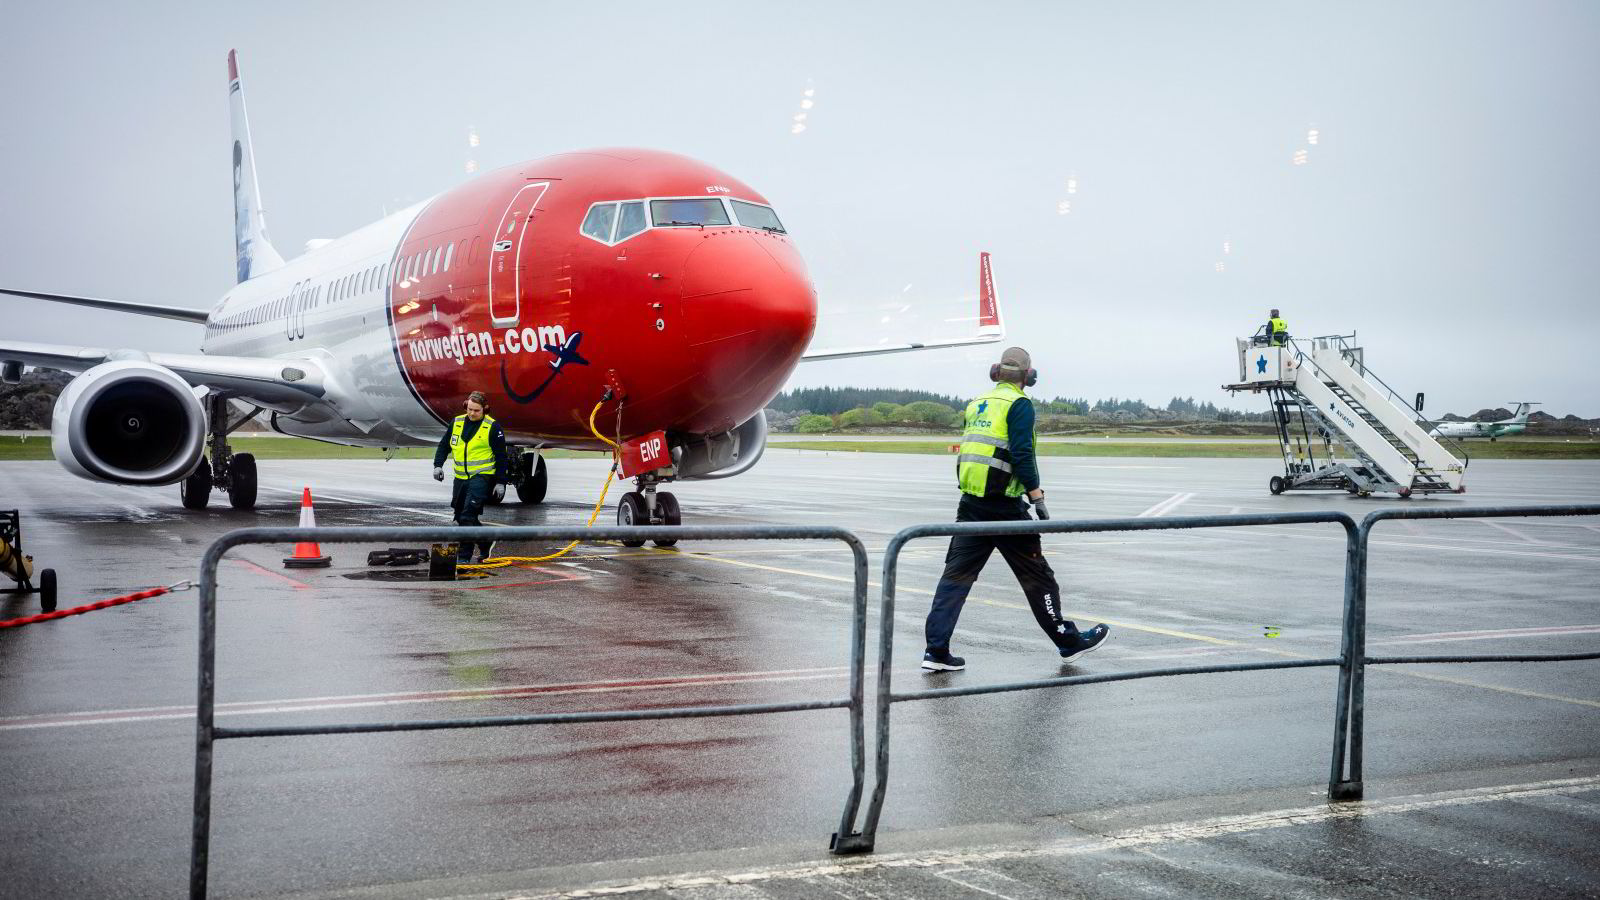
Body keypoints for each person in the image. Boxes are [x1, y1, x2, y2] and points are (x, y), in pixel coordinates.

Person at [922, 347, 1110, 672]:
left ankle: (935, 652)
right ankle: (1068, 642)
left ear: (996, 373)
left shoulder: (978, 403)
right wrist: (1037, 497)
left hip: (970, 504)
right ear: (1028, 377)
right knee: (1038, 577)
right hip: (1005, 508)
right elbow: (1022, 453)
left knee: (955, 578)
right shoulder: (1019, 405)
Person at [432, 391, 511, 563]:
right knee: (461, 518)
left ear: (485, 410)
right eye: (469, 409)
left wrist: (500, 482)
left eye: (476, 410)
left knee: (468, 516)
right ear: (465, 405)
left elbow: (501, 457)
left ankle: (463, 558)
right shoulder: (457, 422)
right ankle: (485, 541)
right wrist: (438, 465)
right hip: (460, 478)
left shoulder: (492, 427)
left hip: (481, 478)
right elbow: (444, 445)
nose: (472, 413)